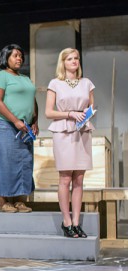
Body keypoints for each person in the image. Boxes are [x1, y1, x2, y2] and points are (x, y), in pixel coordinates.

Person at [0, 44, 38, 213]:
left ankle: (20, 200)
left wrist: (35, 121)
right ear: (6, 58)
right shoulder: (0, 76)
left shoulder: (26, 79)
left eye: (21, 56)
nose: (19, 58)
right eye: (15, 55)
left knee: (24, 161)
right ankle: (3, 201)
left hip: (25, 127)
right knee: (5, 161)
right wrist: (14, 121)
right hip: (4, 124)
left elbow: (33, 101)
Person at [45, 48, 95, 238]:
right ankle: (66, 222)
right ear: (63, 62)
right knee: (65, 178)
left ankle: (76, 222)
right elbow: (49, 112)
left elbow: (90, 107)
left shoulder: (87, 83)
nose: (74, 61)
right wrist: (70, 113)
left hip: (82, 130)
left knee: (79, 179)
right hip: (63, 130)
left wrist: (86, 114)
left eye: (76, 58)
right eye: (70, 59)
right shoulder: (55, 83)